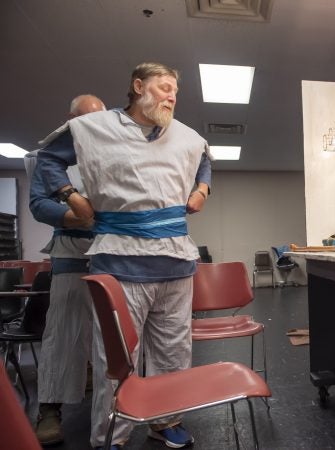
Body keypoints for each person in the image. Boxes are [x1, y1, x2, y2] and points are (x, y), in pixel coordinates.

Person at [36, 62, 212, 450]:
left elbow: (204, 161)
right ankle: (110, 434)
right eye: (164, 87)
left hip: (176, 262)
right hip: (120, 262)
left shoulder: (188, 136)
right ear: (138, 85)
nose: (171, 96)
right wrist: (73, 196)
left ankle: (166, 422)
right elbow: (47, 159)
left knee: (174, 351)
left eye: (175, 92)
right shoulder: (92, 128)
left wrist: (202, 190)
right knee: (115, 360)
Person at [25, 94, 106, 446]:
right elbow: (39, 205)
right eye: (85, 121)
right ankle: (50, 410)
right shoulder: (50, 159)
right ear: (70, 120)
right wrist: (72, 215)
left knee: (116, 334)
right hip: (71, 250)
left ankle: (120, 402)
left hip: (115, 253)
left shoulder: (115, 152)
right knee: (63, 331)